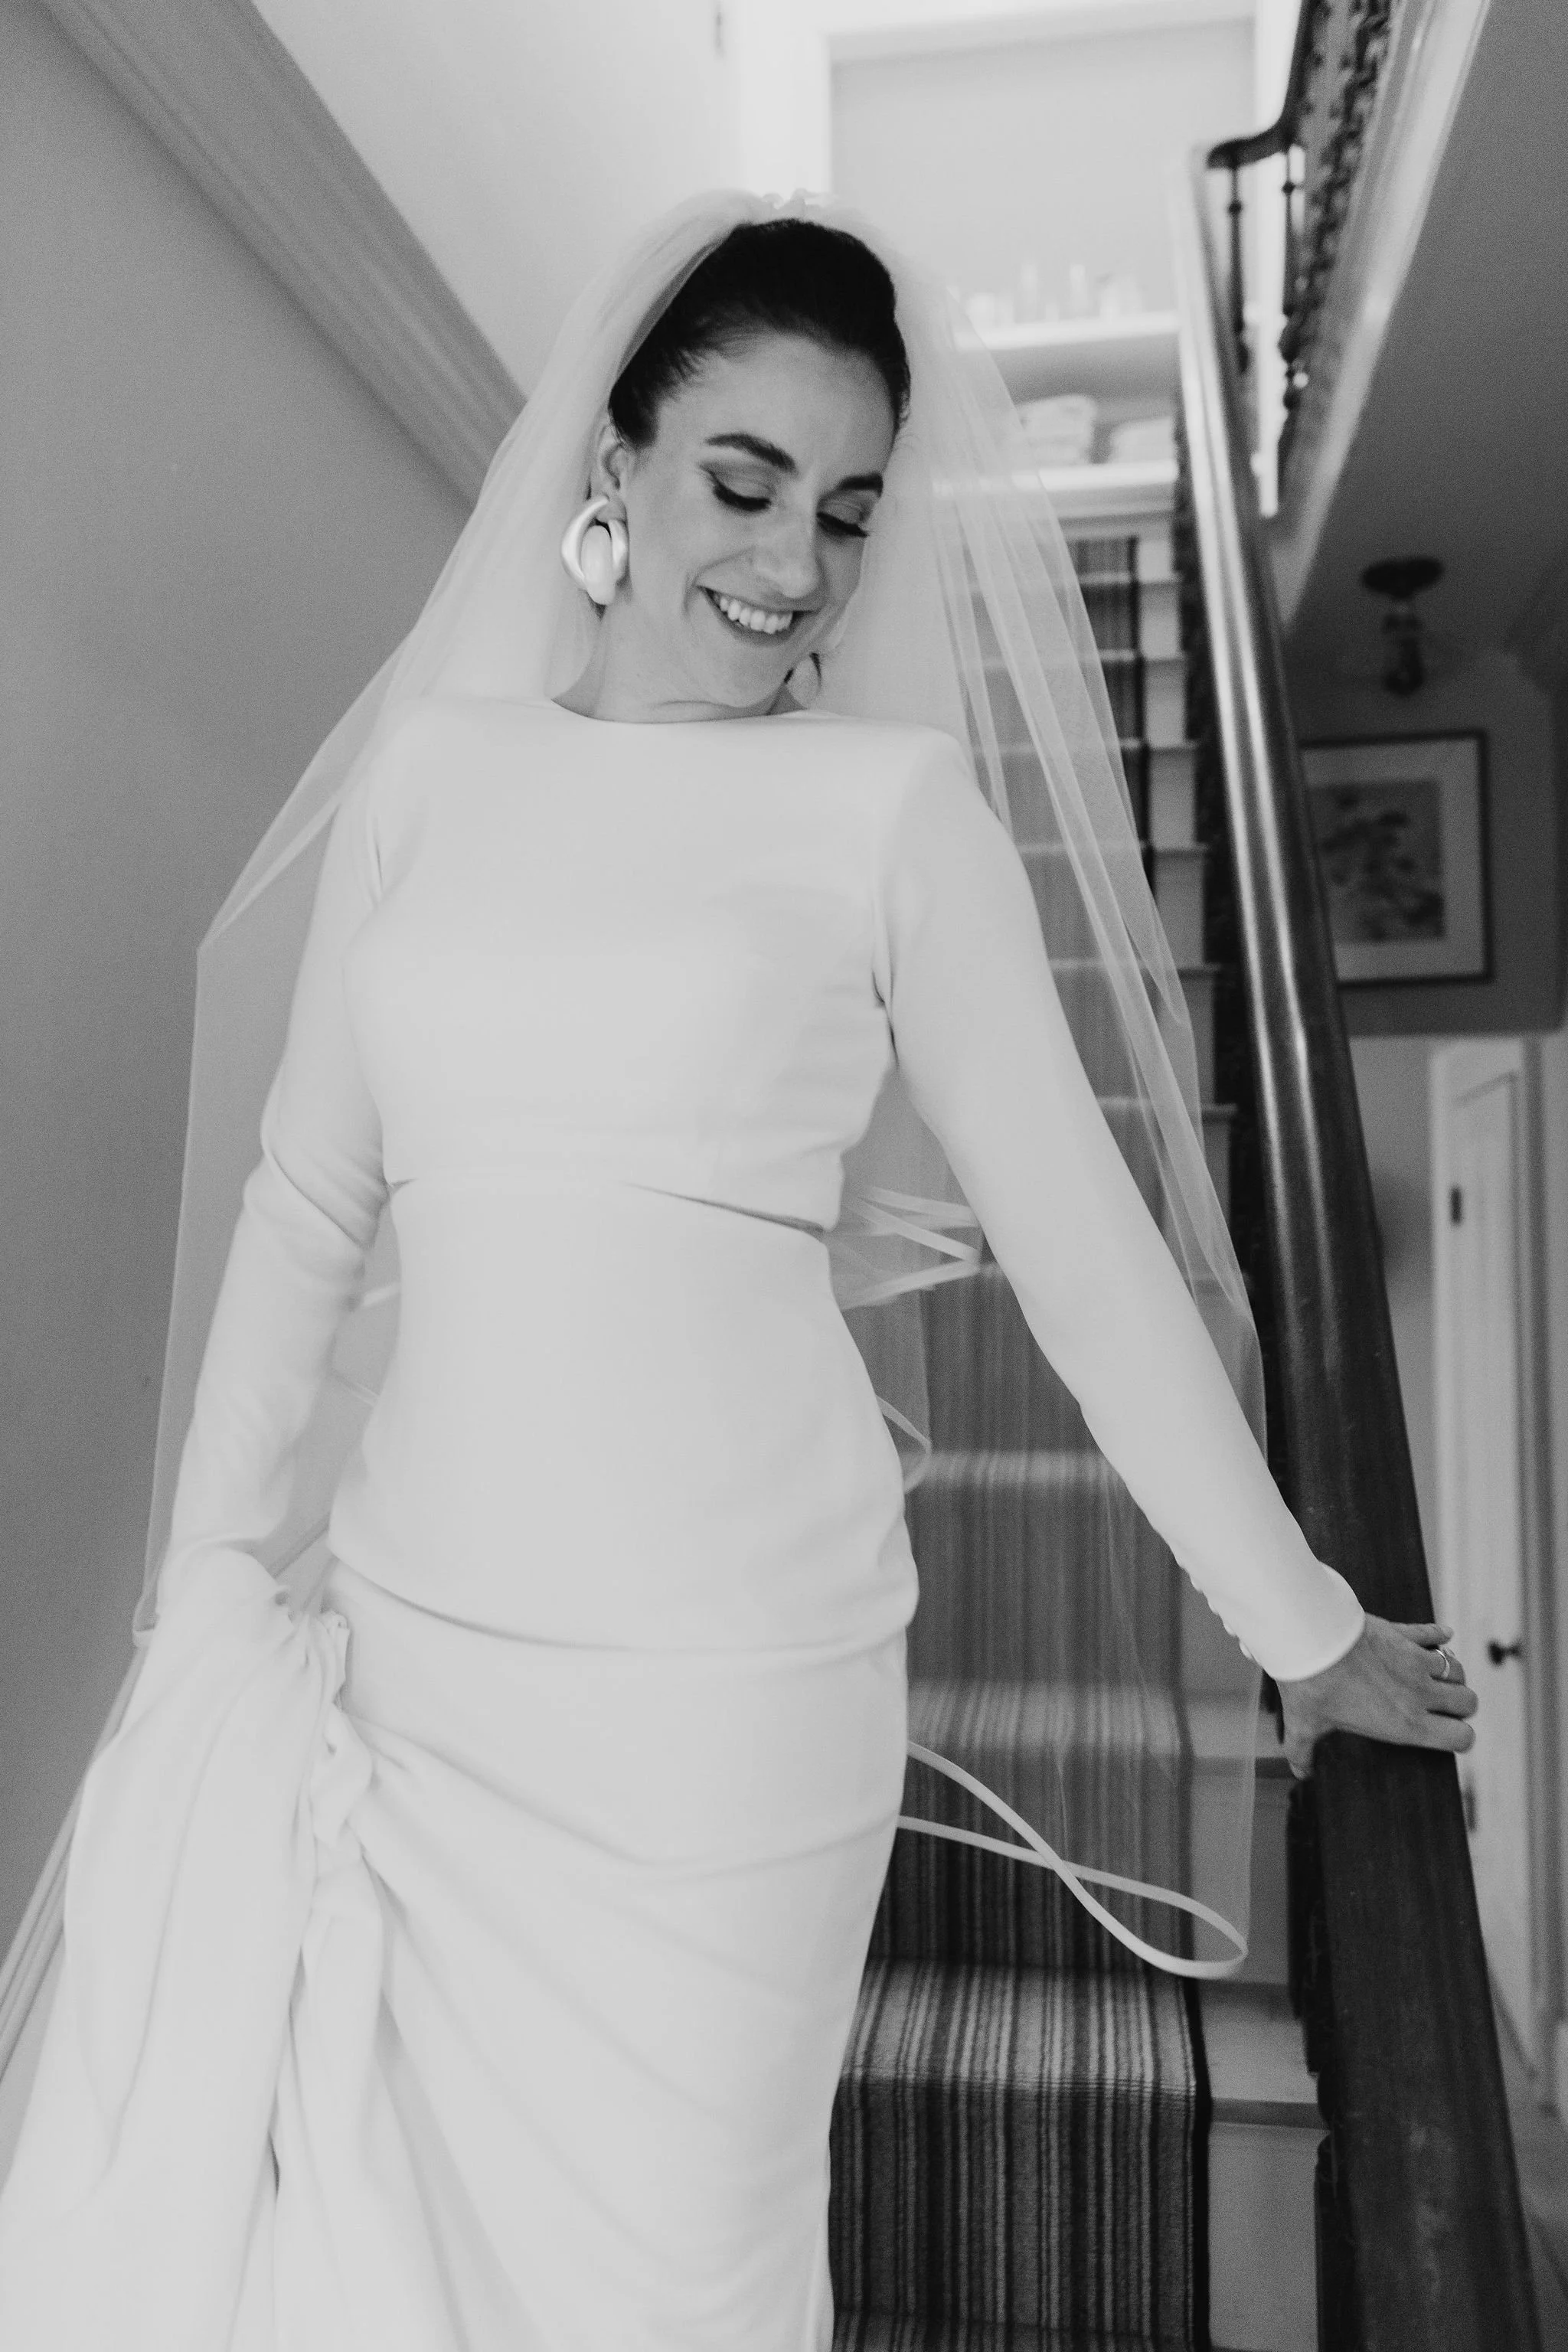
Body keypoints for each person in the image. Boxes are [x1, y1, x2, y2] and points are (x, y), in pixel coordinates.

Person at [0, 189, 1475, 2350]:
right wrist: (201, 1588)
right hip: (423, 1670)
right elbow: (308, 1213)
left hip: (728, 1715)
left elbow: (1089, 1274)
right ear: (615, 464)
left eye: (852, 512)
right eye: (745, 480)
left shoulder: (894, 820)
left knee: (672, 2282)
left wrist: (1302, 1627)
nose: (794, 567)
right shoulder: (434, 776)